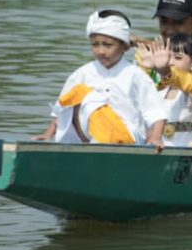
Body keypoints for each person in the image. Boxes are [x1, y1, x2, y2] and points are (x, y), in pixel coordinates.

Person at [34, 10, 166, 147]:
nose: (101, 51)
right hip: (87, 136)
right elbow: (61, 112)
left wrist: (156, 139)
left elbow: (155, 113)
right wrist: (48, 135)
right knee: (79, 93)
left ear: (125, 46)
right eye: (95, 44)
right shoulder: (82, 74)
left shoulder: (136, 75)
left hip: (127, 139)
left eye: (107, 45)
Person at [143, 32, 192, 146]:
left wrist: (163, 69)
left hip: (189, 145)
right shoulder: (161, 91)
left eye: (177, 57)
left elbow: (179, 79)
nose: (170, 62)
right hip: (163, 146)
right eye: (168, 57)